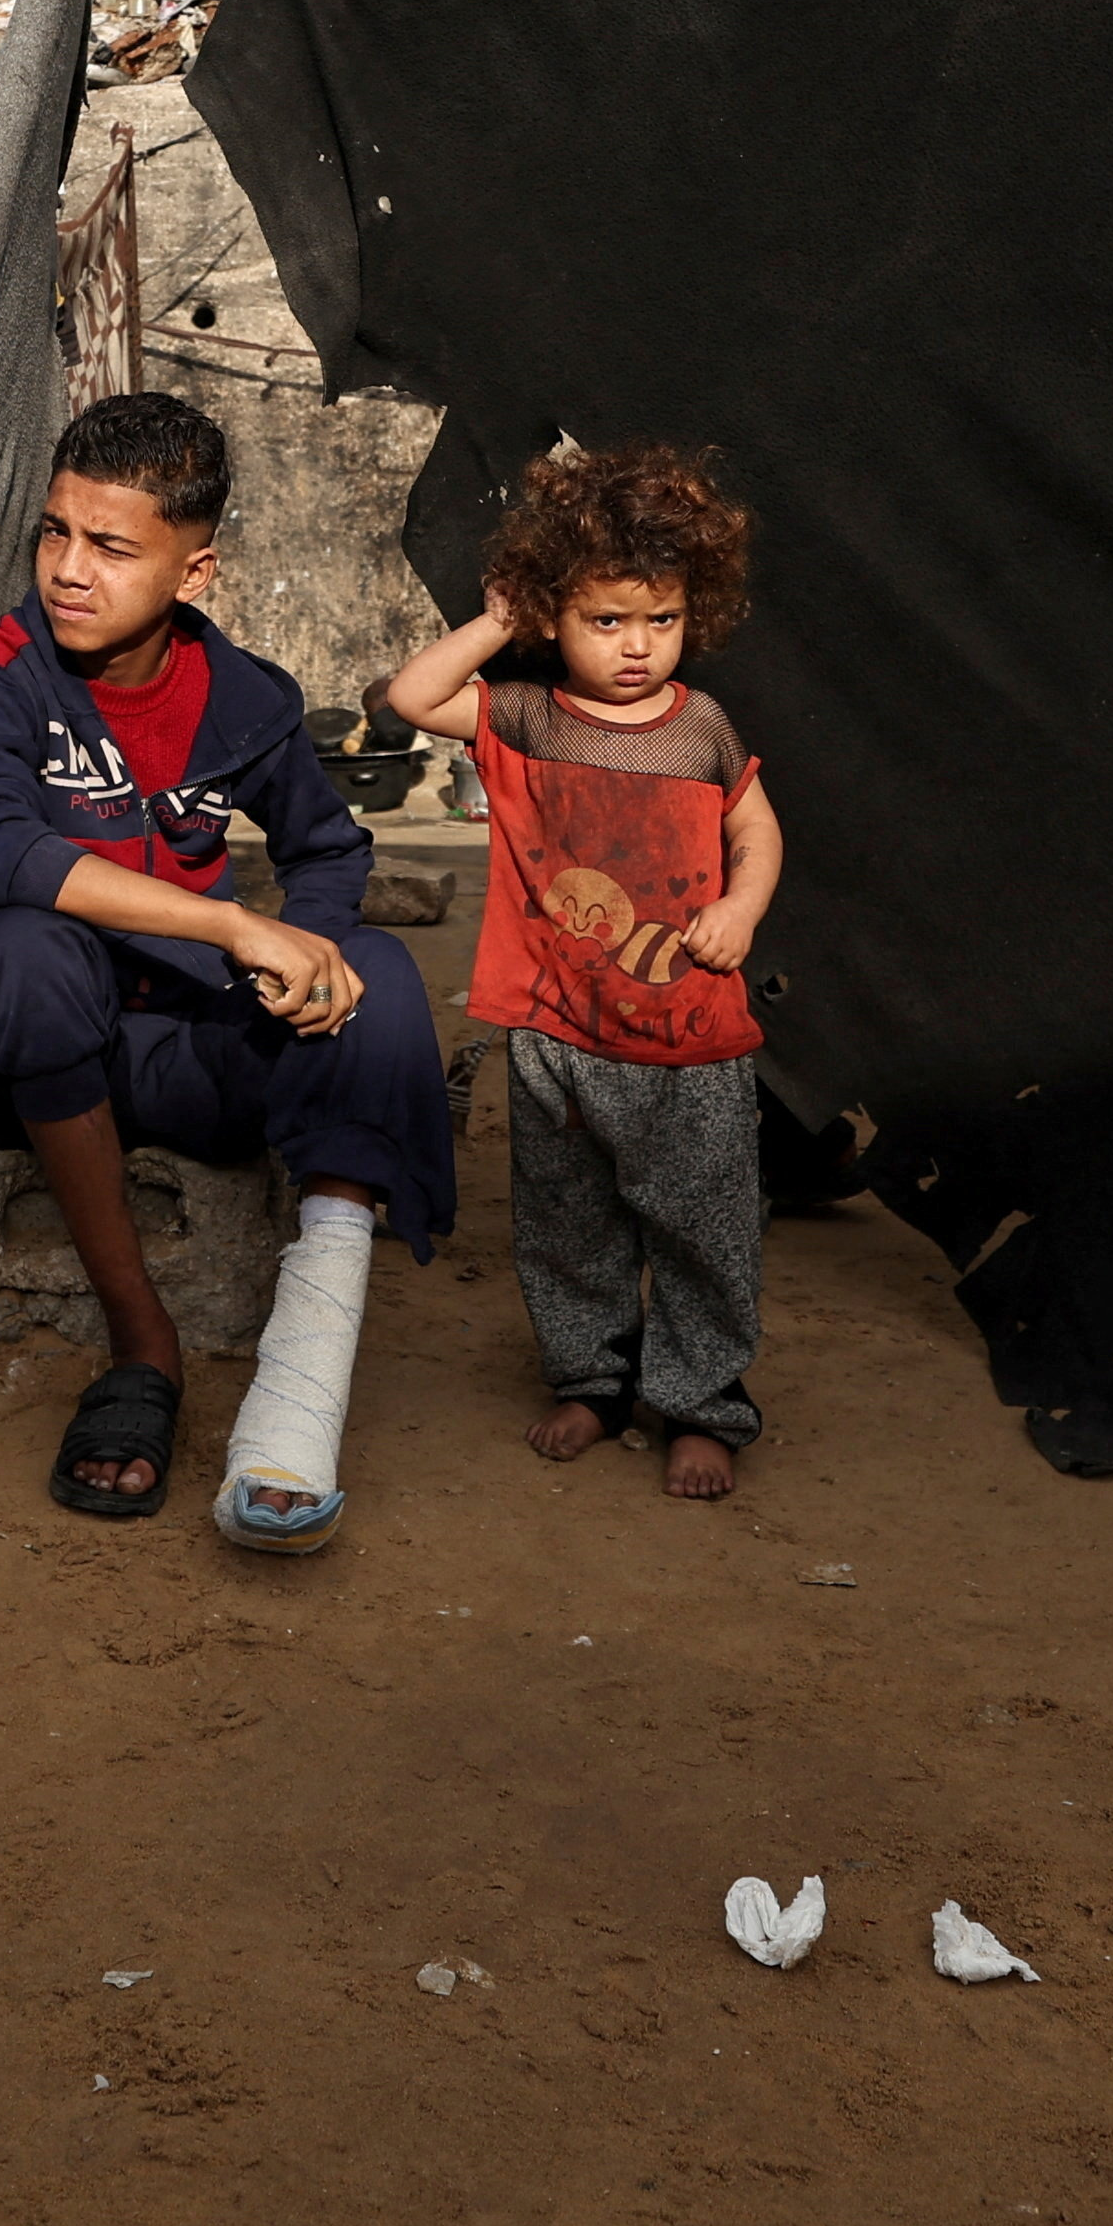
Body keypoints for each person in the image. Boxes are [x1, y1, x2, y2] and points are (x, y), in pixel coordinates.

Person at [0, 391, 456, 1550]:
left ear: (195, 569)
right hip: (46, 1062)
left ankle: (299, 1382)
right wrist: (231, 926)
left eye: (112, 547)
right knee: (24, 940)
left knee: (379, 981)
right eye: (55, 531)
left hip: (198, 1055)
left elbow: (328, 848)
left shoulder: (249, 699)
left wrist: (303, 945)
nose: (69, 568)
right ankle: (140, 1343)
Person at [377, 442, 785, 1499]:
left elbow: (759, 831)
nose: (638, 645)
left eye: (661, 618)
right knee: (566, 1226)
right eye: (605, 619)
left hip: (688, 1040)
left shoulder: (699, 727)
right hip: (556, 1033)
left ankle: (700, 1405)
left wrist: (740, 908)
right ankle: (593, 1382)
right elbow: (411, 697)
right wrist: (495, 624)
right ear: (555, 614)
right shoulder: (520, 718)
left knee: (702, 1227)